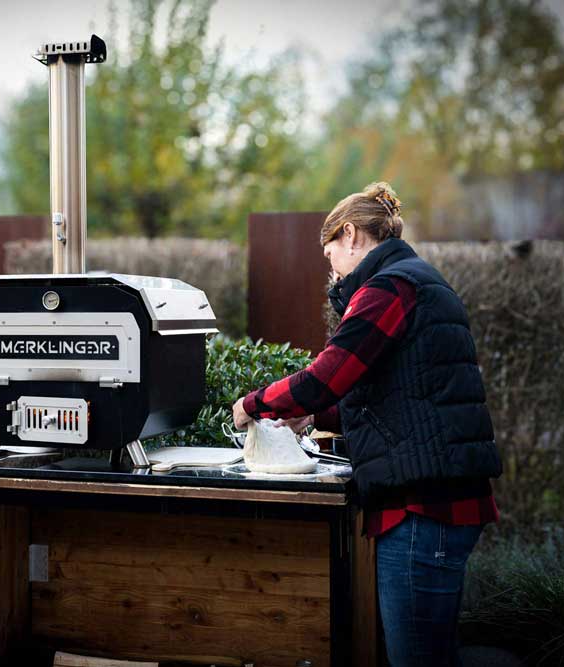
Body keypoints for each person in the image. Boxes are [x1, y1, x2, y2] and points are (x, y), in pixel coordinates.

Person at [232, 182, 502, 667]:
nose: (329, 267)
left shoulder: (389, 288)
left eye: (329, 251)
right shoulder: (410, 280)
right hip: (437, 503)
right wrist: (313, 416)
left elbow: (326, 377)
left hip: (424, 510)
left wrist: (254, 404)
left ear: (351, 235)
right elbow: (392, 394)